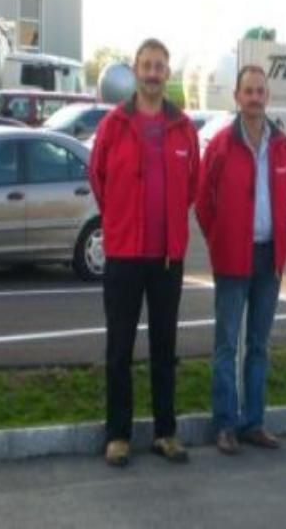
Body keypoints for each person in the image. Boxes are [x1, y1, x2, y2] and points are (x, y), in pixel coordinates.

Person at [88, 38, 199, 466]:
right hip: (124, 256)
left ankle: (165, 432)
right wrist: (121, 221)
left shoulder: (183, 127)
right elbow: (98, 178)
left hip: (167, 258)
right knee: (119, 349)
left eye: (159, 66)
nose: (153, 73)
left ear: (167, 73)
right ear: (136, 71)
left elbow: (192, 184)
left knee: (164, 349)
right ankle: (118, 435)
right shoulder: (114, 125)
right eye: (146, 65)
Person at [196, 65, 286, 455]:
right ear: (237, 98)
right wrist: (219, 240)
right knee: (225, 345)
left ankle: (253, 422)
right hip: (232, 260)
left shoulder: (281, 145)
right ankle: (224, 424)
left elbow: (285, 197)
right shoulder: (221, 145)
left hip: (268, 258)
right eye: (248, 91)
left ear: (267, 97)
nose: (254, 97)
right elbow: (204, 203)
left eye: (260, 91)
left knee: (259, 345)